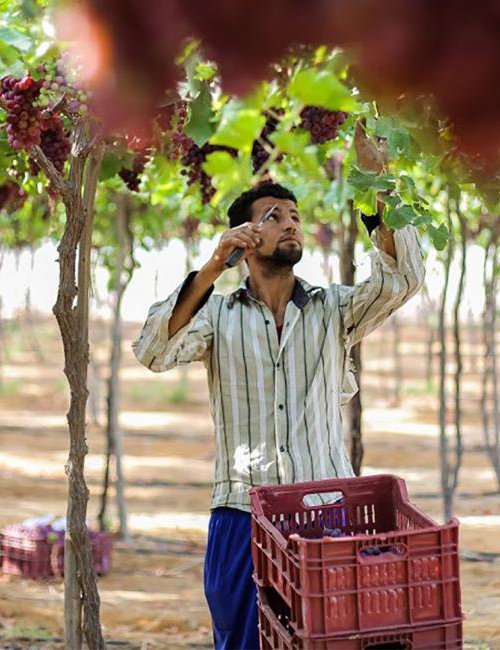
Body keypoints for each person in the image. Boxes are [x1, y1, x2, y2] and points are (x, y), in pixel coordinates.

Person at [133, 134, 425, 648]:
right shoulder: (218, 317)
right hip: (242, 517)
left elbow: (403, 278)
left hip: (329, 511)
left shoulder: (333, 310)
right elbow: (154, 349)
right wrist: (213, 265)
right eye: (274, 215)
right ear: (243, 239)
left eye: (294, 215)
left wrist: (374, 184)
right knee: (245, 641)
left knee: (329, 640)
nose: (291, 222)